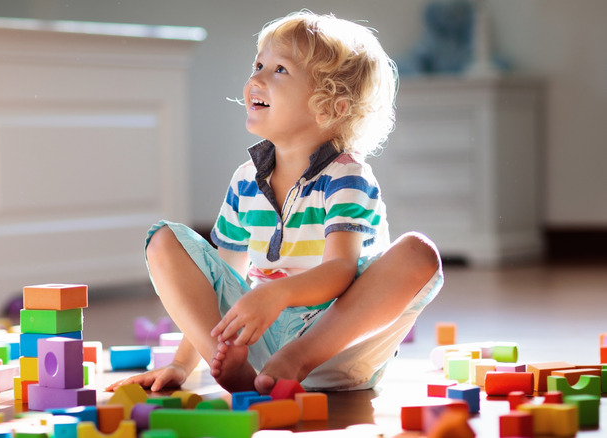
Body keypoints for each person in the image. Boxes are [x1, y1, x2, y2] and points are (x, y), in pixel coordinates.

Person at [107, 10, 443, 395]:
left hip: (335, 343)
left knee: (419, 253)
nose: (256, 79)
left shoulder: (346, 177)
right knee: (163, 239)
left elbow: (339, 270)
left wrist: (276, 294)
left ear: (330, 105)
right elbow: (218, 280)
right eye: (259, 64)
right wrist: (183, 364)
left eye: (279, 69)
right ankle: (231, 362)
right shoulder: (244, 181)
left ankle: (298, 359)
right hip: (260, 342)